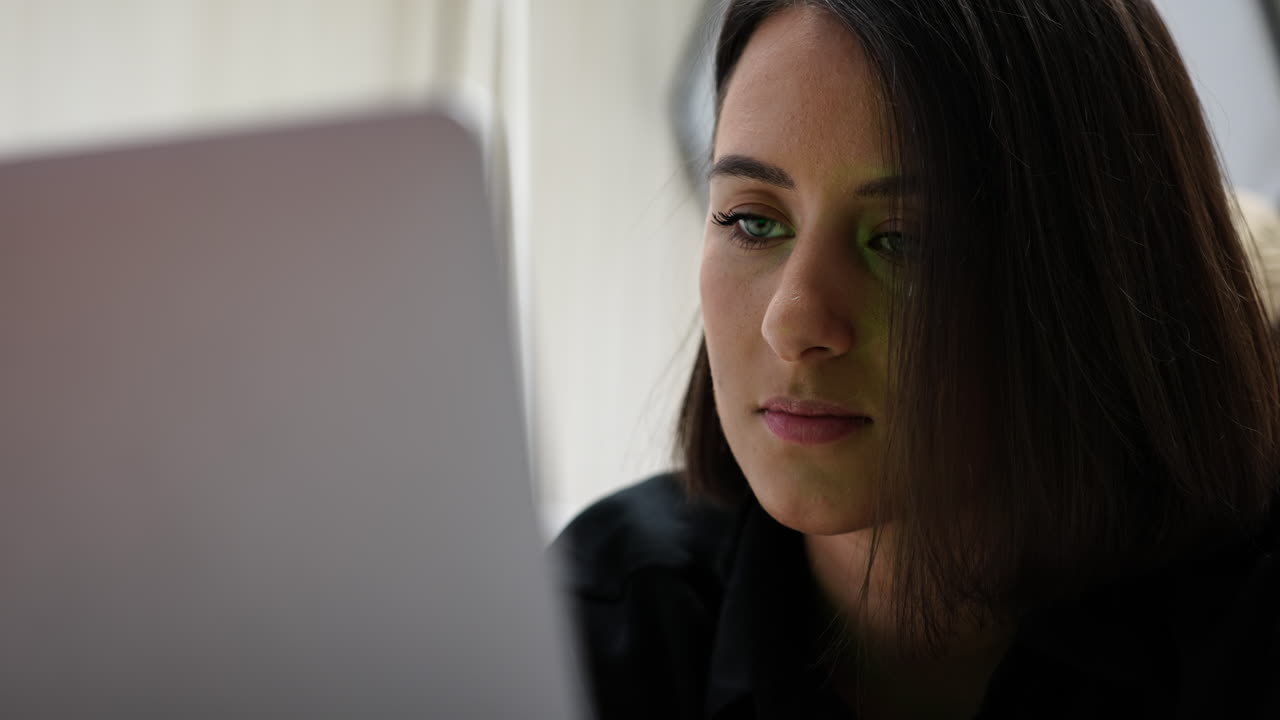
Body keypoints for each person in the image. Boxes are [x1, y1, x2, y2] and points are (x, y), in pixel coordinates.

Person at [551, 1, 1280, 718]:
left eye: (903, 239)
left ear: (1096, 276)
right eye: (753, 220)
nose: (792, 322)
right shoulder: (602, 622)